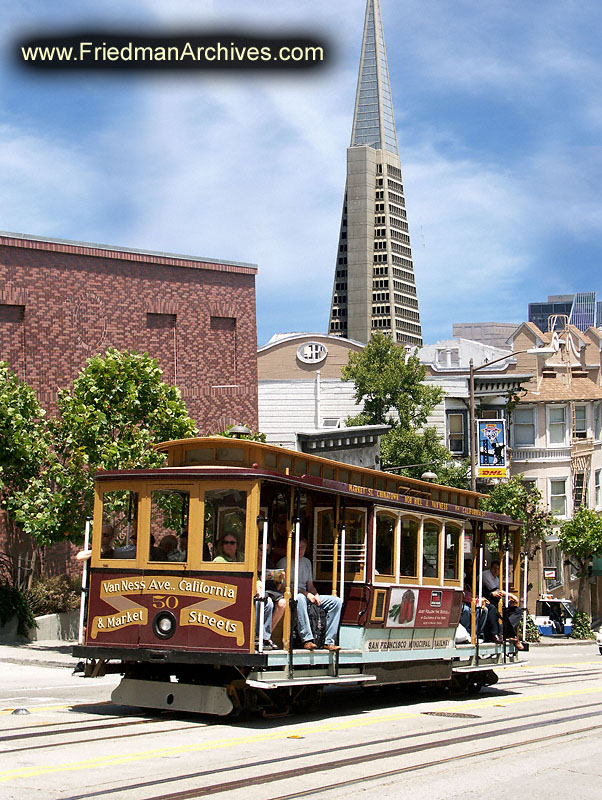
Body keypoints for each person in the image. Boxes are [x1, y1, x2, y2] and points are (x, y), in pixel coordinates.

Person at [276, 537, 342, 652]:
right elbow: (282, 587)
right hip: (291, 595)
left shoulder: (307, 562)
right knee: (300, 598)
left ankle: (329, 641)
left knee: (336, 601)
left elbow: (310, 585)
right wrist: (306, 593)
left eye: (303, 548)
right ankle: (307, 639)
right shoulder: (283, 562)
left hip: (306, 595)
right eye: (298, 548)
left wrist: (315, 594)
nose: (300, 551)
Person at [255, 540, 285, 649]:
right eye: (261, 549)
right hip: (258, 591)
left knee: (282, 603)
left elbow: (277, 587)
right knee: (268, 602)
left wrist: (279, 580)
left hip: (270, 591)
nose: (263, 552)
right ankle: (259, 637)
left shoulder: (268, 562)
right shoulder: (252, 561)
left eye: (266, 550)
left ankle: (265, 636)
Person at [482, 560, 520, 644]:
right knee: (496, 610)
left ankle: (504, 631)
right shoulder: (486, 574)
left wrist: (509, 602)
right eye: (494, 568)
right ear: (491, 568)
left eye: (498, 569)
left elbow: (499, 592)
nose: (496, 571)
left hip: (496, 601)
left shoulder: (497, 579)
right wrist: (511, 595)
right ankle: (508, 635)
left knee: (517, 610)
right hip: (487, 600)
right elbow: (496, 591)